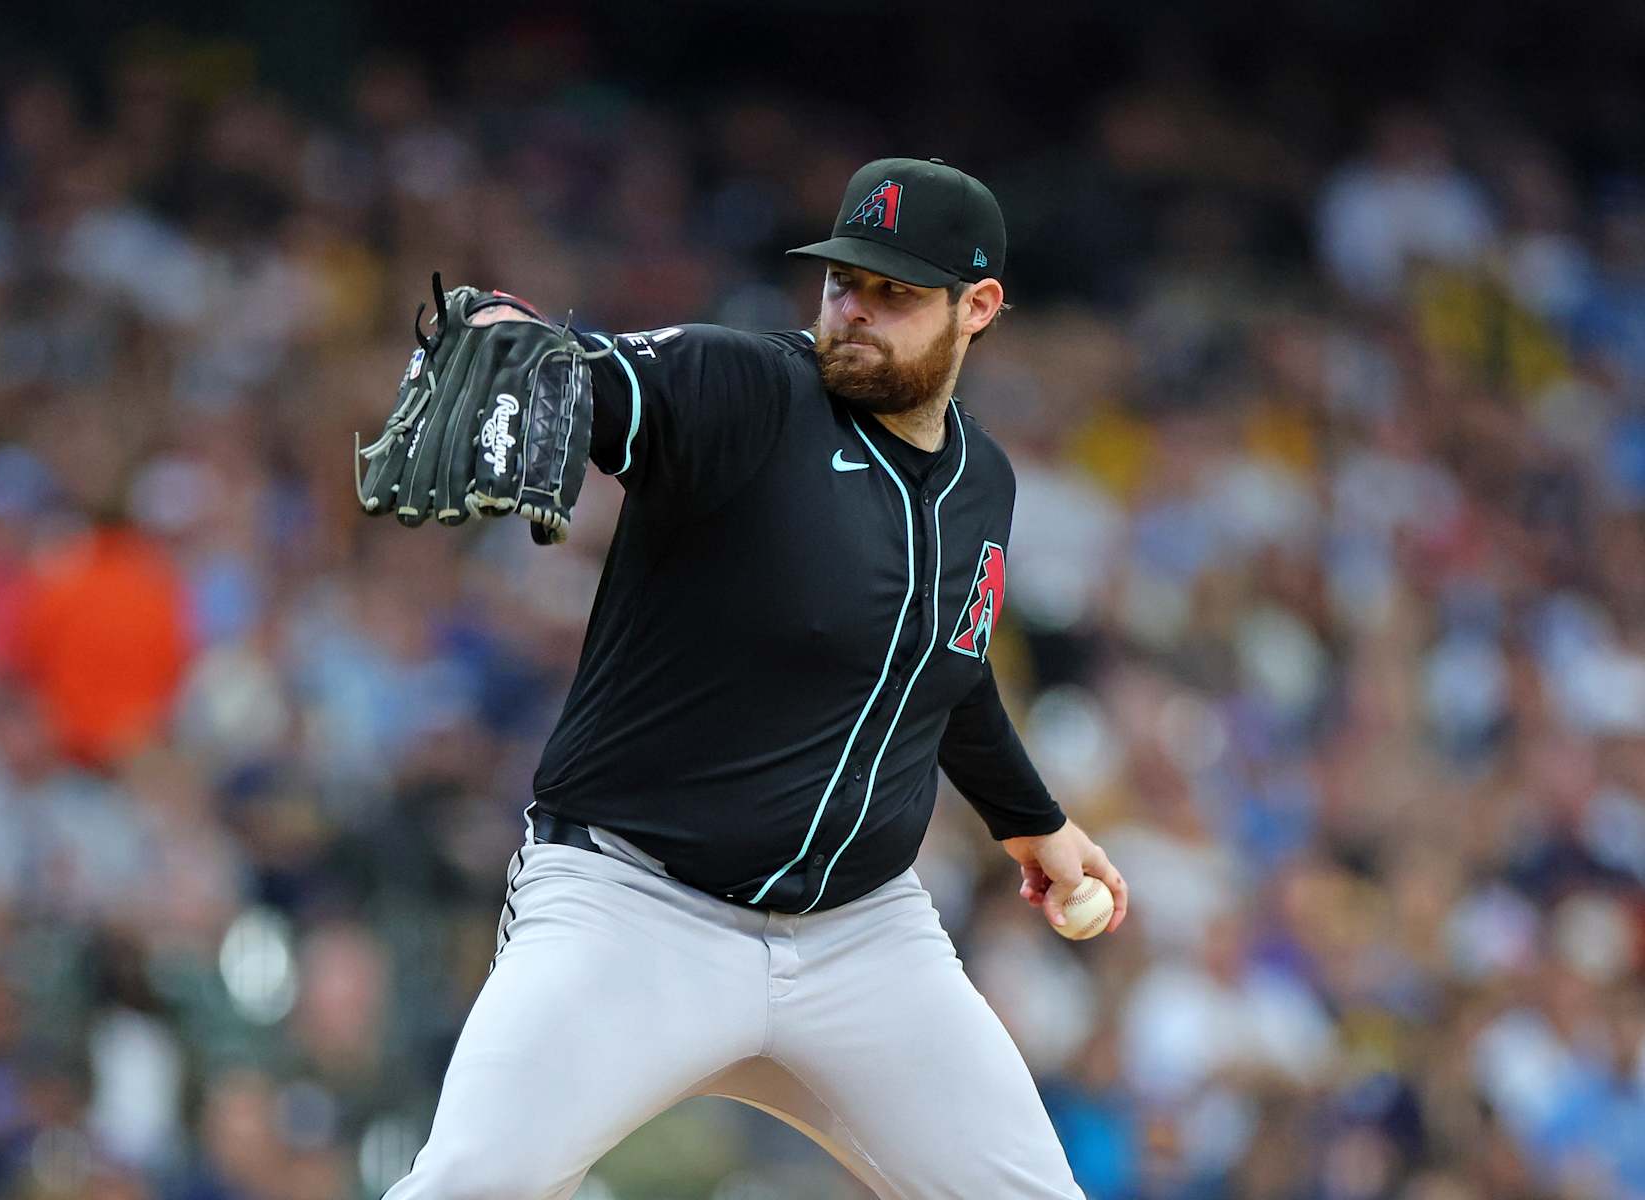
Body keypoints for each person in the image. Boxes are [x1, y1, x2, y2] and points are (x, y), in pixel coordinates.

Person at [384, 157, 1128, 1200]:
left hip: (864, 944)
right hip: (635, 911)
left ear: (980, 308)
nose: (857, 311)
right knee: (469, 1184)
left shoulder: (981, 483)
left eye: (896, 294)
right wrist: (530, 351)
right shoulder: (750, 391)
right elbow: (607, 379)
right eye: (844, 282)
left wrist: (1035, 827)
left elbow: (939, 670)